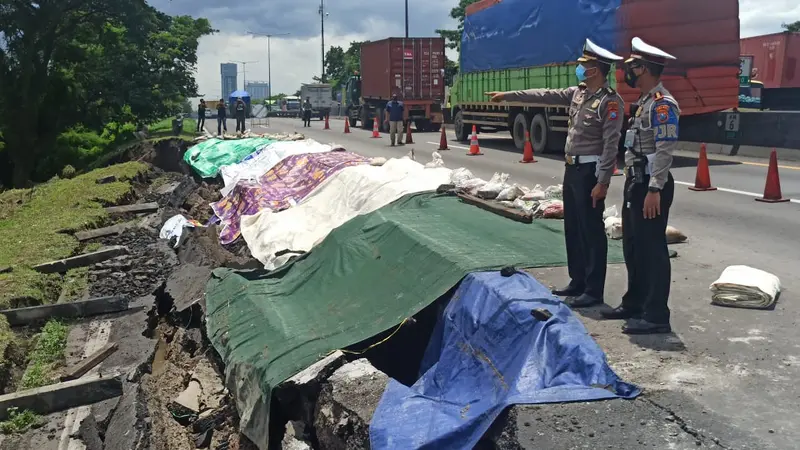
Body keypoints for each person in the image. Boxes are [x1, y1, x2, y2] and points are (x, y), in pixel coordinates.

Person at [486, 39, 624, 309]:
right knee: (573, 227)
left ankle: (593, 290)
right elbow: (544, 95)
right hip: (572, 168)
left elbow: (611, 144)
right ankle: (578, 280)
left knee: (591, 230)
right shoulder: (578, 94)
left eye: (584, 66)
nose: (580, 69)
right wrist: (509, 95)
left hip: (590, 171)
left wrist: (603, 181)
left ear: (595, 70)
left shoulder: (610, 102)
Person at [600, 38, 678, 335]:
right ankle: (635, 302)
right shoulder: (645, 102)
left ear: (644, 68)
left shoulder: (662, 104)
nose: (628, 72)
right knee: (632, 246)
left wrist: (655, 189)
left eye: (632, 67)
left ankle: (656, 314)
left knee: (652, 249)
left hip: (650, 184)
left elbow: (665, 149)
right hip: (636, 180)